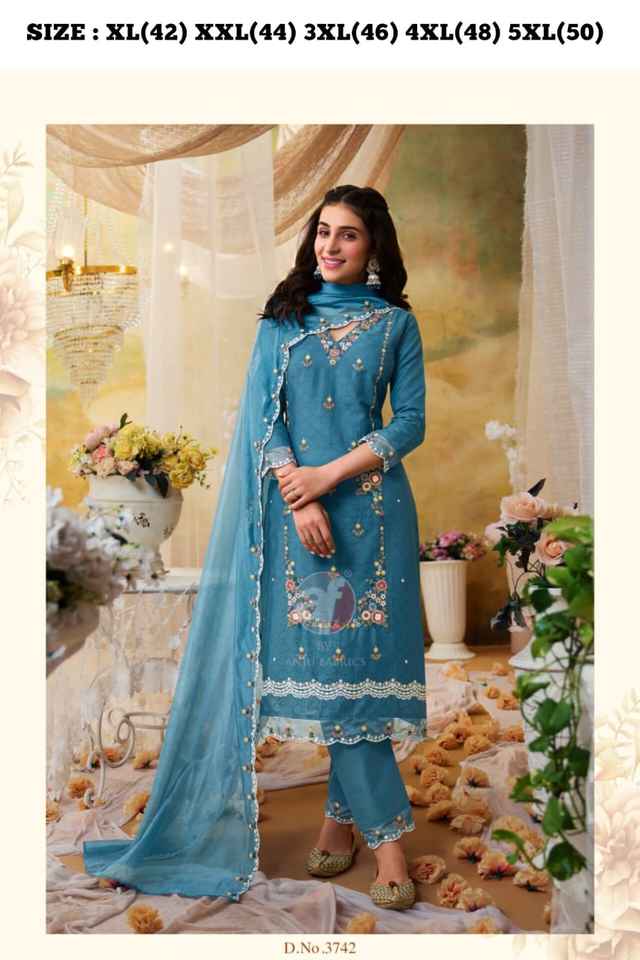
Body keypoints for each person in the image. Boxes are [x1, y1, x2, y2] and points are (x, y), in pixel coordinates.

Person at [83, 184, 427, 913]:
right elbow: (263, 421)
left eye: (348, 234)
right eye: (323, 231)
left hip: (372, 518)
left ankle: (345, 823)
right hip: (297, 522)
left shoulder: (395, 324)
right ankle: (389, 841)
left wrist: (328, 476)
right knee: (333, 672)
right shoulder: (283, 319)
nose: (330, 246)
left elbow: (410, 424)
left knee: (356, 673)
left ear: (373, 245)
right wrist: (299, 494)